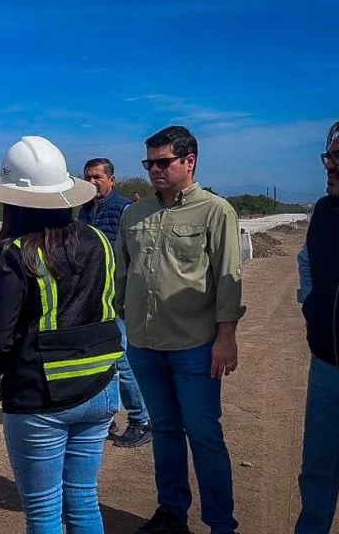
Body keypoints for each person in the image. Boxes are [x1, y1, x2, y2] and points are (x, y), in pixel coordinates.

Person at [0, 136, 122, 534]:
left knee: (43, 512)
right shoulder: (99, 242)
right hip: (101, 387)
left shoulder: (17, 253)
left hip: (40, 394)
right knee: (83, 500)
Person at [115, 125, 245, 534]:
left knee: (204, 434)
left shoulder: (215, 211)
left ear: (189, 161)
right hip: (143, 344)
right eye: (148, 162)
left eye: (163, 162)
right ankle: (171, 512)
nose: (154, 169)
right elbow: (123, 272)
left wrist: (226, 336)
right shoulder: (134, 214)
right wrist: (119, 317)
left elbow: (228, 277)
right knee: (166, 429)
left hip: (194, 345)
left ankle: (221, 523)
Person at [294, 116, 339, 534]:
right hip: (329, 369)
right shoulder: (324, 210)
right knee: (316, 475)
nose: (329, 166)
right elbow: (306, 263)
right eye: (328, 156)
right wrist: (312, 307)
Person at [78, 158, 152, 448]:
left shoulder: (124, 210)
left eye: (97, 177)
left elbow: (133, 255)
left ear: (111, 179)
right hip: (90, 297)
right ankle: (106, 417)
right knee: (98, 358)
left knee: (120, 357)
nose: (92, 182)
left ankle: (140, 418)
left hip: (115, 297)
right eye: (88, 177)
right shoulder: (83, 211)